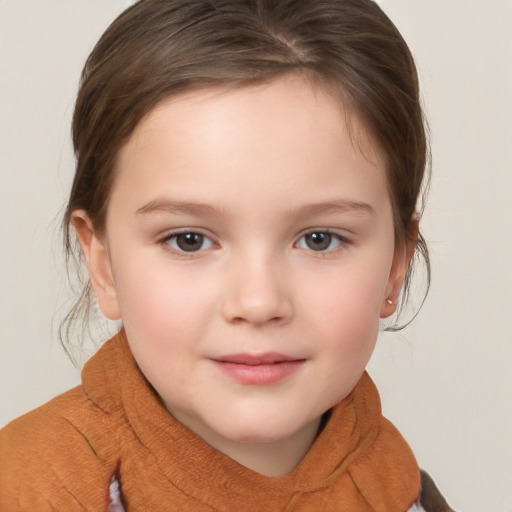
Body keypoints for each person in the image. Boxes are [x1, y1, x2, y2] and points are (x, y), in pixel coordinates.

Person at [0, 1, 455, 510]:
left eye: (319, 238)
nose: (258, 303)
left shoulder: (401, 489)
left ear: (396, 266)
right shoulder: (27, 488)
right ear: (103, 265)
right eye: (189, 240)